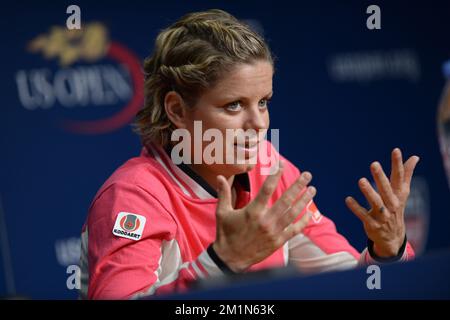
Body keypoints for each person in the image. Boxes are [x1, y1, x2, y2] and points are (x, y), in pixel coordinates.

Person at [79, 9, 420, 299]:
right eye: (233, 105)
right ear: (177, 110)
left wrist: (387, 251)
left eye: (263, 102)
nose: (258, 124)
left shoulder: (269, 169)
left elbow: (349, 284)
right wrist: (223, 261)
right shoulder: (133, 195)